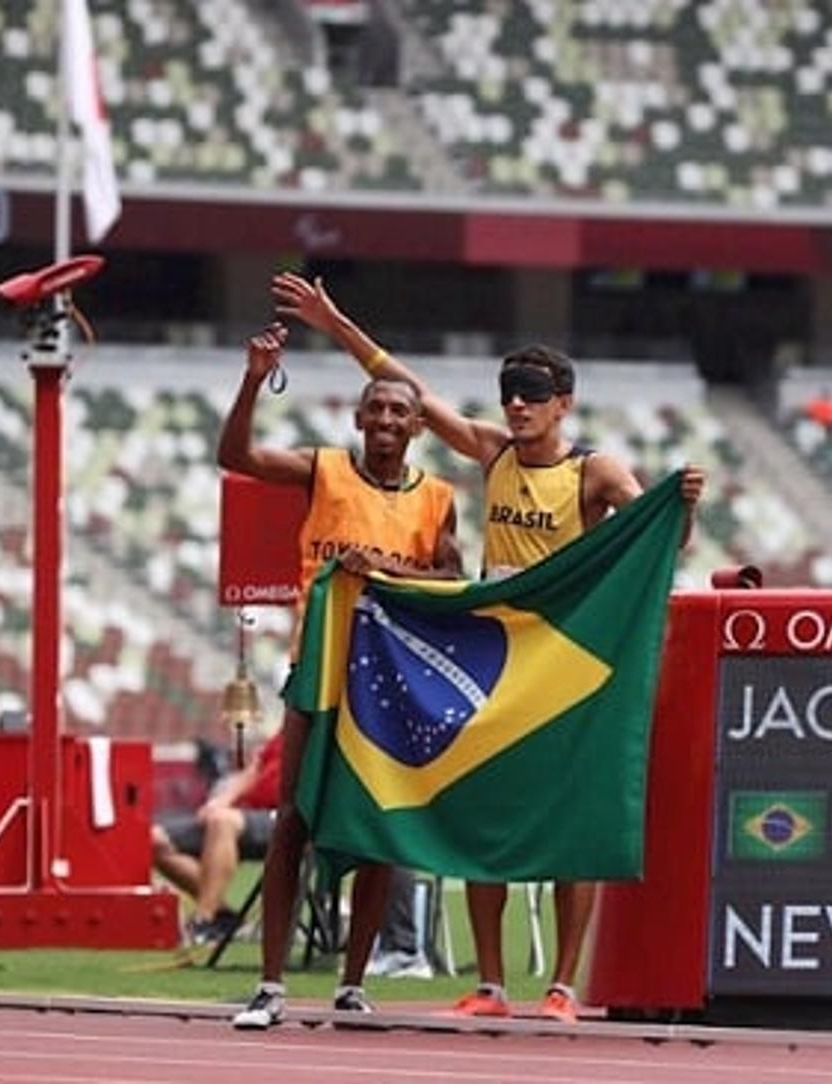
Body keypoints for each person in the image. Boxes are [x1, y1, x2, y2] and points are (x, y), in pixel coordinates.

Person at [273, 272, 705, 1024]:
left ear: (563, 403)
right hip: (494, 647)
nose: (518, 404)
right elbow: (403, 385)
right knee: (482, 806)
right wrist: (337, 323)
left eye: (533, 394)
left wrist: (685, 507)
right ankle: (493, 985)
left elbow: (655, 544)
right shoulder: (491, 451)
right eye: (510, 391)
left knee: (571, 816)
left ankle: (564, 987)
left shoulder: (593, 471)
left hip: (564, 655)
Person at [217, 321, 464, 1030]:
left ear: (418, 426)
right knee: (292, 817)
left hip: (389, 682)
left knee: (380, 826)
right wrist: (254, 378)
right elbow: (234, 455)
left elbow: (451, 573)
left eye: (399, 411)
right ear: (358, 419)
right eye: (375, 409)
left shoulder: (436, 497)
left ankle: (353, 985)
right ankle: (269, 986)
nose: (386, 419)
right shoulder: (324, 470)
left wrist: (385, 568)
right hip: (317, 665)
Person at [150, 729, 283, 945]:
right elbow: (256, 768)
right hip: (247, 813)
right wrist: (222, 800)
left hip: (286, 817)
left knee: (222, 822)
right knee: (154, 839)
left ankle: (203, 921)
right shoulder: (293, 723)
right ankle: (224, 917)